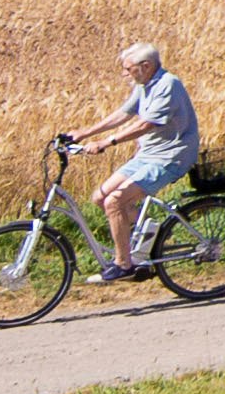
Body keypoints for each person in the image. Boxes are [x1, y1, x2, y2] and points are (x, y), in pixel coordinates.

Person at [59, 41, 203, 280]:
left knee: (114, 202)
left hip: (170, 157)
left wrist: (107, 142)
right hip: (147, 155)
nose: (124, 74)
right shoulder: (144, 84)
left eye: (128, 68)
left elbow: (146, 124)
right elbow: (124, 113)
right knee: (100, 197)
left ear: (145, 66)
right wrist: (85, 133)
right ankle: (151, 235)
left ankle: (124, 265)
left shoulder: (168, 85)